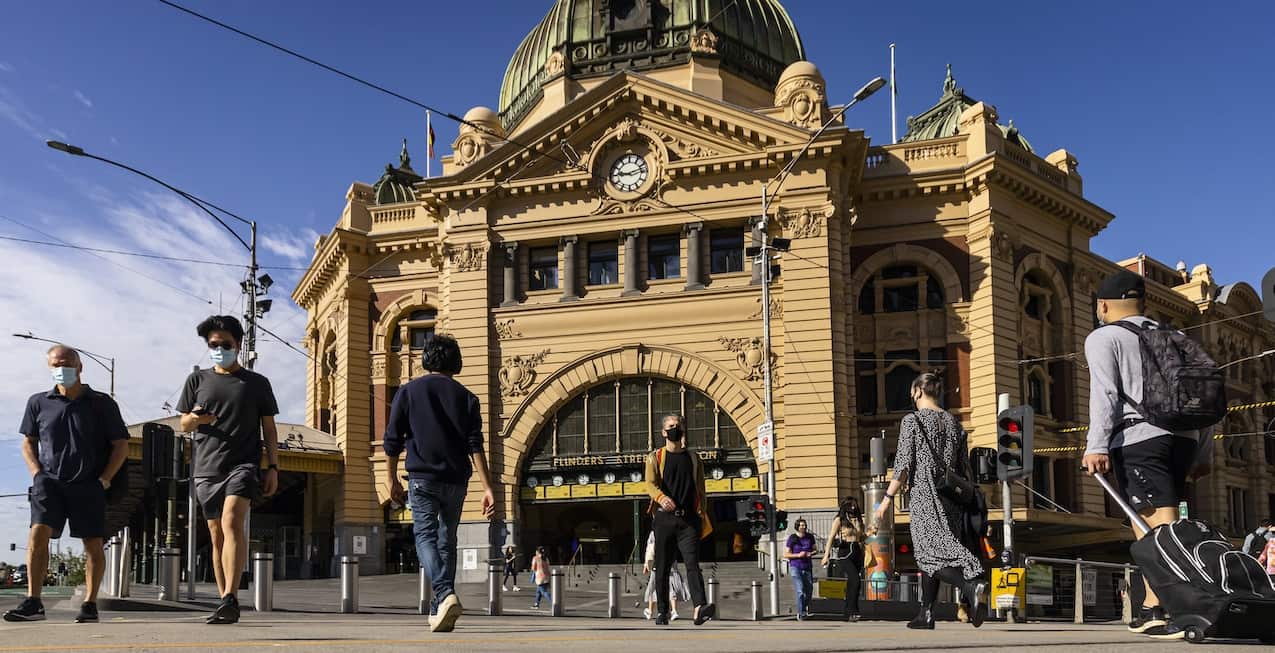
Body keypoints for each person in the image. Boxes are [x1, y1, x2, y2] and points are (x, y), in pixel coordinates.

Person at [1081, 270, 1213, 641]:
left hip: (1139, 438)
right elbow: (1205, 396)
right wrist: (1203, 450)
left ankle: (1182, 610)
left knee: (1159, 525)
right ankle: (1151, 607)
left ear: (1103, 305)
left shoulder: (1104, 337)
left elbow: (1105, 394)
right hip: (1183, 438)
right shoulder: (1177, 337)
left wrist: (1096, 445)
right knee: (1146, 524)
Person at [5, 345, 129, 624]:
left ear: (80, 366)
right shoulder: (38, 402)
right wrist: (37, 473)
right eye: (55, 364)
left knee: (93, 543)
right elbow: (28, 441)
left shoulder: (101, 402)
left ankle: (89, 604)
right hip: (49, 482)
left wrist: (105, 479)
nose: (61, 368)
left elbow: (120, 444)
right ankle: (34, 602)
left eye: (67, 363)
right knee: (37, 534)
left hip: (88, 484)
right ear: (49, 368)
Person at [384, 333, 496, 633]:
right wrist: (487, 488)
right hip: (457, 480)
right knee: (448, 540)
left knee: (425, 536)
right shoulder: (468, 398)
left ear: (425, 359)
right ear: (456, 362)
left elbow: (392, 440)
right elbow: (476, 445)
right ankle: (438, 608)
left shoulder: (407, 392)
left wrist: (391, 477)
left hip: (422, 478)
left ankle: (445, 594)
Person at [176, 316, 280, 625]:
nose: (219, 349)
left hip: (243, 464)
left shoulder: (257, 383)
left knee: (232, 519)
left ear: (238, 345)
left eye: (225, 344)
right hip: (207, 468)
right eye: (213, 345)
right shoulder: (197, 381)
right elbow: (183, 422)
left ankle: (231, 597)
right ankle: (224, 600)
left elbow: (269, 430)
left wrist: (273, 466)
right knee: (216, 535)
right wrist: (196, 419)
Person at [873, 371, 987, 630]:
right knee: (936, 556)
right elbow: (963, 467)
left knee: (927, 555)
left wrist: (887, 499)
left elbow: (903, 464)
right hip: (952, 499)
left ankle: (969, 584)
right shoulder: (954, 423)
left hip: (926, 496)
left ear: (917, 392)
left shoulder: (911, 421)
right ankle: (926, 613)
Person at [644, 413, 716, 626]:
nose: (675, 429)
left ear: (683, 431)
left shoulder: (694, 458)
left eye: (679, 426)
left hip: (688, 521)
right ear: (663, 432)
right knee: (662, 567)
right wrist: (661, 497)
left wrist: (701, 512)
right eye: (671, 426)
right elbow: (649, 484)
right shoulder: (654, 457)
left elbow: (700, 489)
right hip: (664, 519)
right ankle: (663, 611)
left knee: (693, 564)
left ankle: (699, 607)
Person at [822, 496, 866, 622]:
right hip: (845, 552)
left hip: (856, 551)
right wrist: (826, 555)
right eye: (851, 505)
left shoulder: (858, 519)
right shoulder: (839, 520)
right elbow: (831, 537)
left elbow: (862, 537)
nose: (854, 507)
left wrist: (869, 533)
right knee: (855, 579)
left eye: (855, 504)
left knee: (855, 585)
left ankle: (849, 611)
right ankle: (853, 611)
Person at [643, 530, 689, 620]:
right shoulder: (672, 532)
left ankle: (650, 611)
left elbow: (650, 549)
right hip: (671, 561)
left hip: (658, 562)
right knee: (672, 587)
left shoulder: (654, 532)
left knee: (654, 587)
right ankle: (674, 611)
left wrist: (646, 564)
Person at [785, 518, 817, 620]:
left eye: (804, 525)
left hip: (807, 566)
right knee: (800, 590)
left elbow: (815, 549)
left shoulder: (810, 537)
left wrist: (810, 553)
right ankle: (801, 613)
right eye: (801, 525)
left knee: (809, 589)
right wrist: (798, 555)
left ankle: (804, 608)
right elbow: (786, 554)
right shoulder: (792, 538)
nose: (803, 527)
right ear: (797, 526)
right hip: (796, 566)